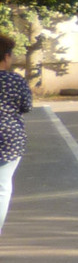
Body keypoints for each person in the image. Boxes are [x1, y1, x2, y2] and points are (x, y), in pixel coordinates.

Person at [0, 34, 33, 238]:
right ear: (6, 57)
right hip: (9, 140)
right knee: (2, 187)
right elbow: (26, 106)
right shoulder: (15, 80)